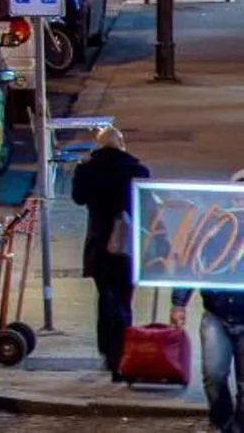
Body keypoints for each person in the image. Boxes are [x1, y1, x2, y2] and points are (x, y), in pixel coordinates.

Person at [72, 125, 151, 375]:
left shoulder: (87, 170)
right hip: (129, 243)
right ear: (121, 143)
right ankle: (122, 347)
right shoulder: (137, 170)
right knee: (125, 296)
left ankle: (109, 350)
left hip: (100, 240)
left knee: (106, 295)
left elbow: (78, 198)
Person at [174, 170, 244, 432]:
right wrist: (179, 302)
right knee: (213, 376)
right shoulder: (213, 229)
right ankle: (223, 423)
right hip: (216, 314)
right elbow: (191, 263)